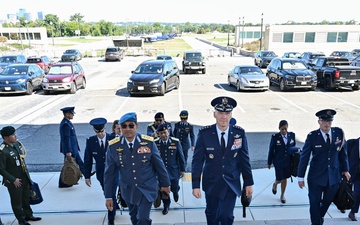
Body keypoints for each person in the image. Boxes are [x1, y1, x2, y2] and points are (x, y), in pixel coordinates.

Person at [191, 96, 254, 225]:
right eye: (220, 113)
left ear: (231, 115)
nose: (224, 117)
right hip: (212, 183)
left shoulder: (239, 134)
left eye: (227, 113)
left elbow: (244, 160)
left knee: (226, 216)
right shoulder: (205, 134)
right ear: (214, 114)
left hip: (231, 182)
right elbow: (197, 161)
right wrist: (195, 185)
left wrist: (248, 182)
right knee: (212, 215)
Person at [104, 112, 171, 225]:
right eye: (124, 126)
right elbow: (109, 173)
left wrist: (165, 184)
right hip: (128, 191)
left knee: (143, 218)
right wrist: (108, 196)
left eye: (131, 125)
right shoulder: (114, 146)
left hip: (147, 188)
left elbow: (159, 166)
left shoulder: (148, 143)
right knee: (134, 219)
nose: (128, 129)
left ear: (137, 126)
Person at [298, 109, 351, 225]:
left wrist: (345, 169)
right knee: (314, 203)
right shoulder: (312, 136)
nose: (327, 124)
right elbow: (304, 157)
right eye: (324, 121)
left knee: (327, 201)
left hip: (333, 177)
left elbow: (343, 153)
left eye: (329, 121)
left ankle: (319, 216)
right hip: (315, 178)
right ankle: (316, 222)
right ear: (319, 122)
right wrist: (300, 177)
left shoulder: (338, 133)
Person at [0, 126, 42, 225]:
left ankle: (29, 215)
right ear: (6, 137)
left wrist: (27, 177)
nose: (15, 136)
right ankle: (21, 219)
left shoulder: (17, 145)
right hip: (14, 181)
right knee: (17, 202)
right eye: (13, 135)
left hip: (23, 177)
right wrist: (13, 179)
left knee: (26, 198)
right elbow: (1, 169)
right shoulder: (3, 151)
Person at [83, 117, 118, 225]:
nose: (100, 134)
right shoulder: (91, 142)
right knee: (107, 193)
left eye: (102, 131)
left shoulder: (114, 139)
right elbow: (87, 160)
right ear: (94, 131)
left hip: (115, 172)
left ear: (105, 129)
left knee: (111, 193)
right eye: (98, 132)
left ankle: (111, 216)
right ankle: (113, 209)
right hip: (101, 173)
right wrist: (87, 176)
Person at [155, 123, 185, 215]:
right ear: (158, 134)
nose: (163, 135)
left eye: (165, 132)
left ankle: (176, 191)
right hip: (161, 172)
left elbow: (181, 156)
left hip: (173, 170)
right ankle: (166, 206)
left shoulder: (175, 142)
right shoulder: (155, 143)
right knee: (164, 189)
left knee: (174, 186)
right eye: (161, 133)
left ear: (168, 132)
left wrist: (182, 169)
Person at [267, 120, 296, 204]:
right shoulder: (275, 137)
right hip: (278, 161)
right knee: (279, 179)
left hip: (288, 161)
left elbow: (293, 147)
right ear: (279, 128)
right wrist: (269, 162)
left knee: (285, 178)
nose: (284, 131)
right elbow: (271, 150)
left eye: (285, 129)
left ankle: (282, 195)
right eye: (282, 129)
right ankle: (275, 184)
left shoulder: (292, 135)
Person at [59, 106, 85, 188]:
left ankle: (83, 174)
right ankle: (64, 182)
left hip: (73, 148)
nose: (73, 115)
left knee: (76, 163)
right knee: (68, 166)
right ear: (66, 114)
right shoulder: (65, 125)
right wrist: (68, 151)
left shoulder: (67, 122)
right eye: (71, 113)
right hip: (70, 149)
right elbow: (66, 139)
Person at [346, 137, 360, 221]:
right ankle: (341, 204)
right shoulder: (351, 143)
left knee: (357, 193)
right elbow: (344, 157)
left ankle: (352, 212)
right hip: (349, 172)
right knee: (344, 191)